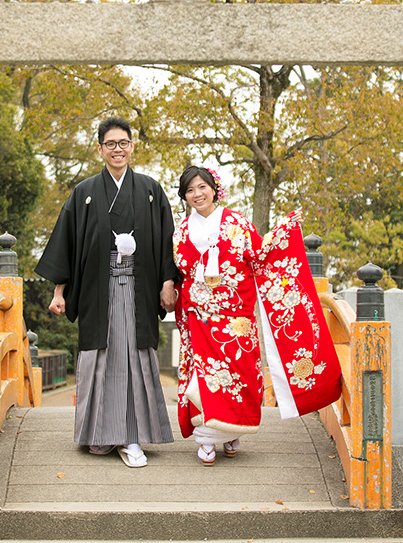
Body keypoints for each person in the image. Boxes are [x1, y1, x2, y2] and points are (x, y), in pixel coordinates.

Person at [173, 165, 342, 466]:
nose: (197, 194)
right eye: (190, 190)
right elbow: (179, 270)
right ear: (185, 196)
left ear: (214, 189)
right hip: (198, 314)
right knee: (204, 374)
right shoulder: (182, 230)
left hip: (235, 316)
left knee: (239, 374)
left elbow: (261, 252)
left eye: (201, 187)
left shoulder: (236, 223)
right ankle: (208, 437)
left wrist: (285, 229)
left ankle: (230, 430)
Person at [36, 115, 176, 467]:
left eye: (123, 143)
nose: (118, 149)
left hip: (138, 288)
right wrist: (59, 292)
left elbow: (166, 241)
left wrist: (168, 282)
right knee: (100, 360)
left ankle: (130, 437)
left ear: (132, 146)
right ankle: (99, 434)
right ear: (100, 148)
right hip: (99, 290)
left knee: (132, 358)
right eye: (110, 144)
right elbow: (66, 245)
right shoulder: (84, 193)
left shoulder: (149, 190)